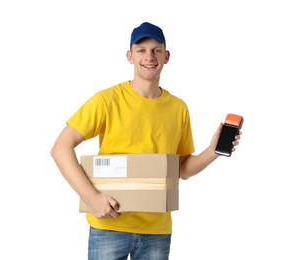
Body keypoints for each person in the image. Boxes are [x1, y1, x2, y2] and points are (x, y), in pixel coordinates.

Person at [51, 22, 241, 260]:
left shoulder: (178, 108)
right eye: (141, 50)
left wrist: (212, 151)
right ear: (130, 56)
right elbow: (60, 148)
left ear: (166, 56)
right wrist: (92, 199)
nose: (149, 56)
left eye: (156, 50)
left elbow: (181, 170)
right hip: (110, 226)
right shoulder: (107, 101)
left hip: (157, 231)